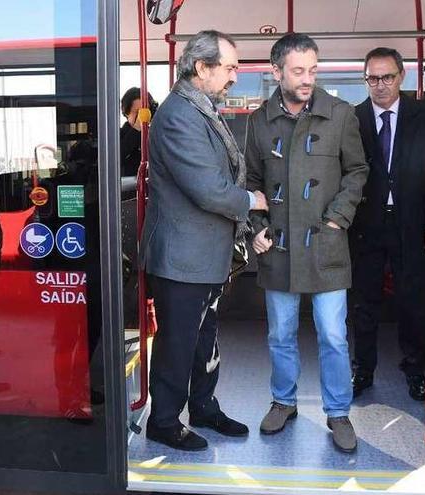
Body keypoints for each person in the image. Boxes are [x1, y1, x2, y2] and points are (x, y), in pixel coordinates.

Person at [141, 30, 269, 451]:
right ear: (202, 68)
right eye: (230, 67)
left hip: (203, 257)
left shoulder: (201, 109)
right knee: (178, 342)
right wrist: (253, 200)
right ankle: (163, 421)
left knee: (204, 340)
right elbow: (209, 190)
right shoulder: (179, 114)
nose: (236, 75)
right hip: (182, 258)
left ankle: (203, 407)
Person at [245, 33, 368, 453]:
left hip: (326, 246)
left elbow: (357, 171)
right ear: (276, 71)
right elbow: (252, 182)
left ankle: (338, 413)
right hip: (278, 247)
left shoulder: (341, 113)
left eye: (313, 70)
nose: (307, 79)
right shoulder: (259, 120)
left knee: (333, 335)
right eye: (298, 71)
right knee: (280, 334)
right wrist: (256, 226)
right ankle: (283, 402)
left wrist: (337, 218)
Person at [349, 47, 425, 402]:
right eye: (373, 78)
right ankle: (364, 370)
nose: (380, 85)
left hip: (413, 223)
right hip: (366, 223)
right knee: (363, 301)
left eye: (387, 77)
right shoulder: (353, 118)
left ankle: (414, 368)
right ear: (365, 79)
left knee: (413, 299)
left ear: (402, 76)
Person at [120, 87, 158, 178]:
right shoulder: (119, 136)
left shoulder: (157, 135)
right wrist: (137, 127)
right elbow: (115, 159)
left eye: (146, 112)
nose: (142, 116)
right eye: (137, 112)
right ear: (126, 113)